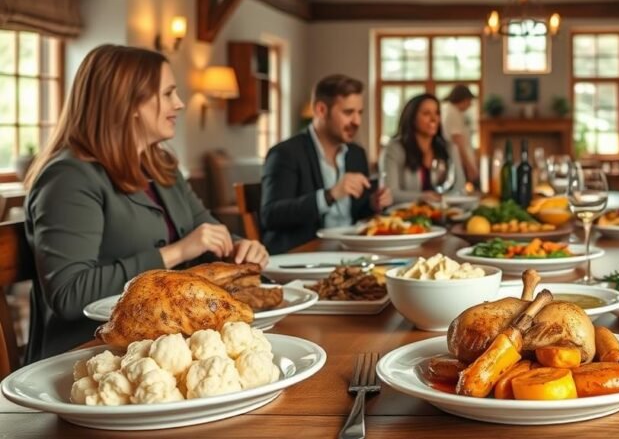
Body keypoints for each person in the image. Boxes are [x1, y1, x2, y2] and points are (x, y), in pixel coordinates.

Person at [24, 45, 270, 360]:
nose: (179, 104)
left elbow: (205, 231)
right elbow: (70, 294)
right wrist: (178, 251)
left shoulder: (161, 166)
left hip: (165, 350)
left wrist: (240, 248)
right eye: (168, 93)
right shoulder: (68, 178)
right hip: (89, 356)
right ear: (128, 102)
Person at [261, 74, 391, 254]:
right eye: (348, 112)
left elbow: (357, 214)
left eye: (359, 112)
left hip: (350, 252)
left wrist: (373, 203)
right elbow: (271, 215)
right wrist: (330, 195)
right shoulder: (286, 153)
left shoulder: (356, 154)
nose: (357, 121)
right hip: (303, 255)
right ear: (321, 110)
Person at [382, 93, 467, 204]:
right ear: (412, 118)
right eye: (426, 113)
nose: (434, 119)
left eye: (437, 113)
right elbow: (391, 193)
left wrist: (443, 200)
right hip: (405, 217)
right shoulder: (394, 148)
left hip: (444, 213)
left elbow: (460, 188)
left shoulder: (450, 148)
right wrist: (422, 197)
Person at [441, 84, 479, 186]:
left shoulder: (451, 110)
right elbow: (457, 141)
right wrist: (469, 166)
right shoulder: (452, 112)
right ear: (464, 99)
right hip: (458, 161)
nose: (470, 105)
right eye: (469, 101)